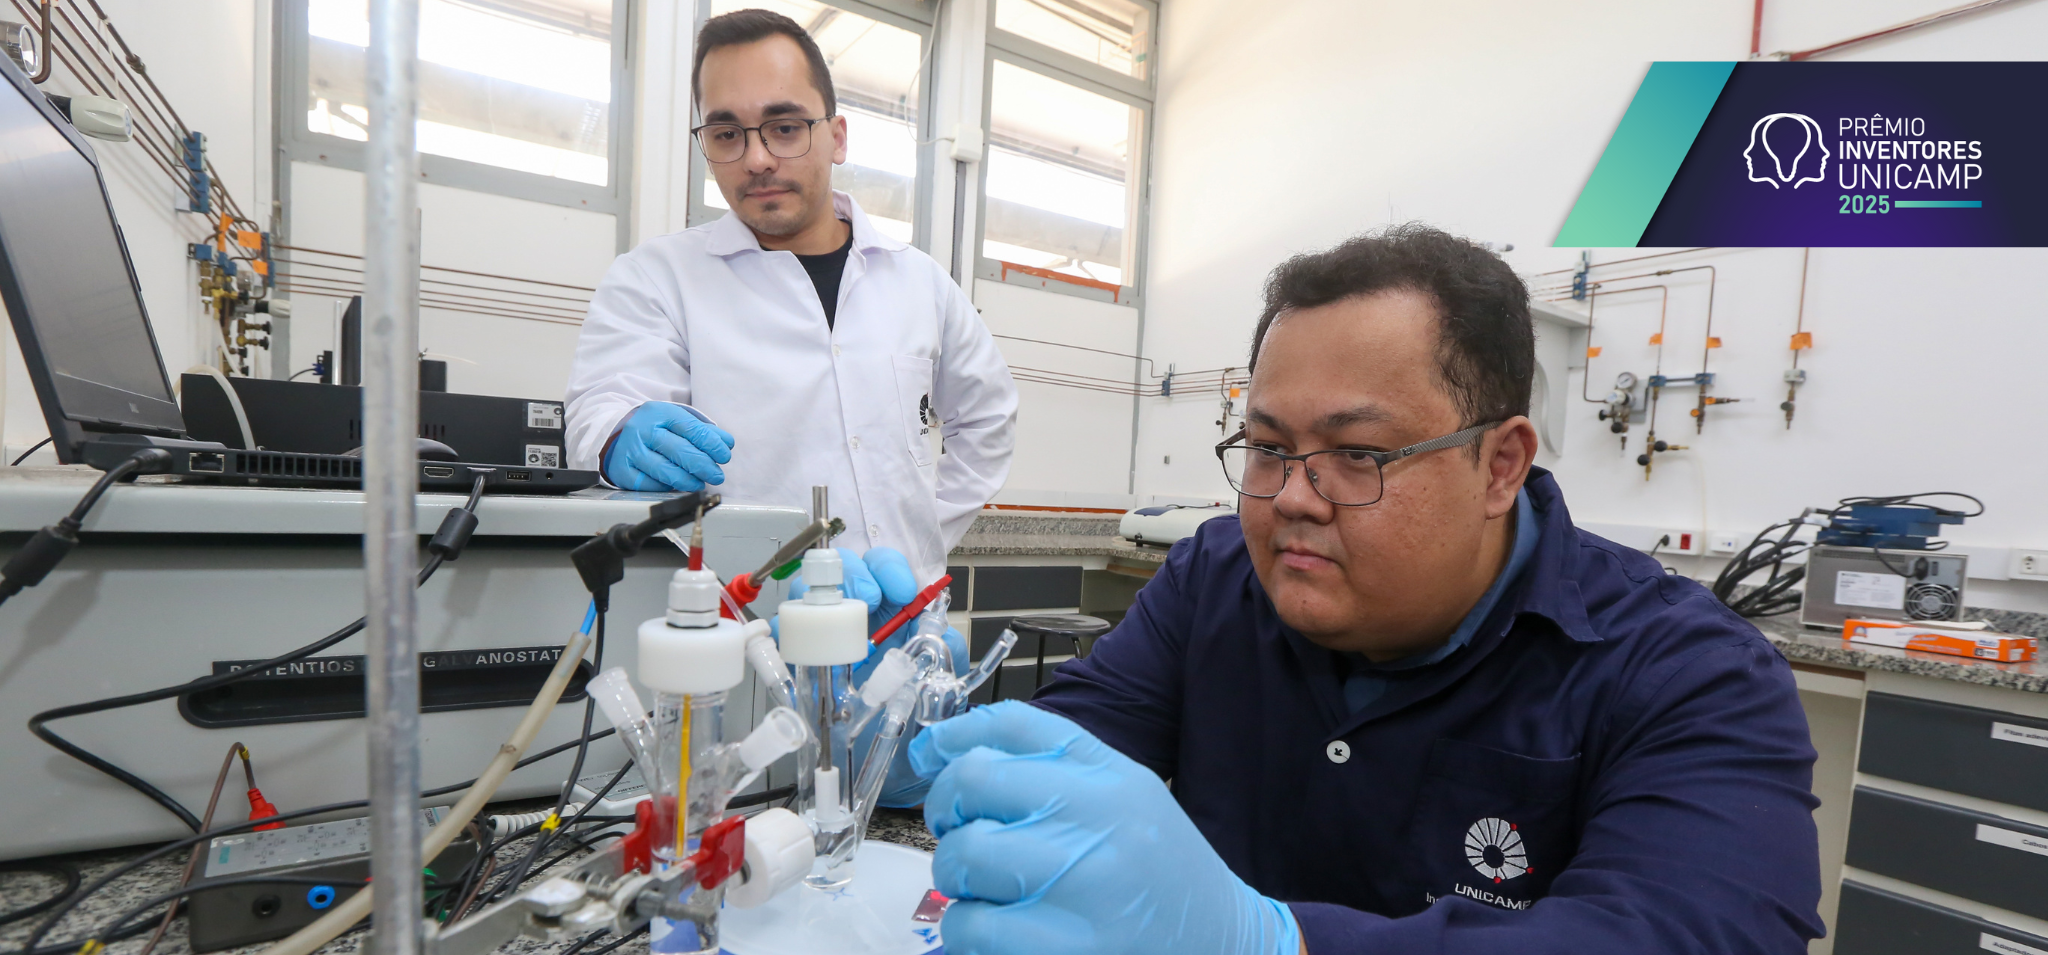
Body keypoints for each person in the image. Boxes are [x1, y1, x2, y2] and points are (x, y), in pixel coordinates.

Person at [904, 225, 1823, 954]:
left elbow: (1685, 932)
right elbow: (1061, 764)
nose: (1293, 498)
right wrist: (912, 733)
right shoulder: (1214, 580)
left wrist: (1271, 943)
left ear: (1501, 465)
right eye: (1268, 447)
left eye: (1358, 454)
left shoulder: (1691, 673)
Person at [563, 9, 1017, 613]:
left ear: (837, 136)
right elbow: (599, 411)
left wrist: (921, 539)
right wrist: (617, 437)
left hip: (902, 614)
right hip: (743, 625)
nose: (756, 158)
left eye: (783, 127)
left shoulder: (920, 283)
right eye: (727, 134)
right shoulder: (656, 278)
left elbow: (988, 418)